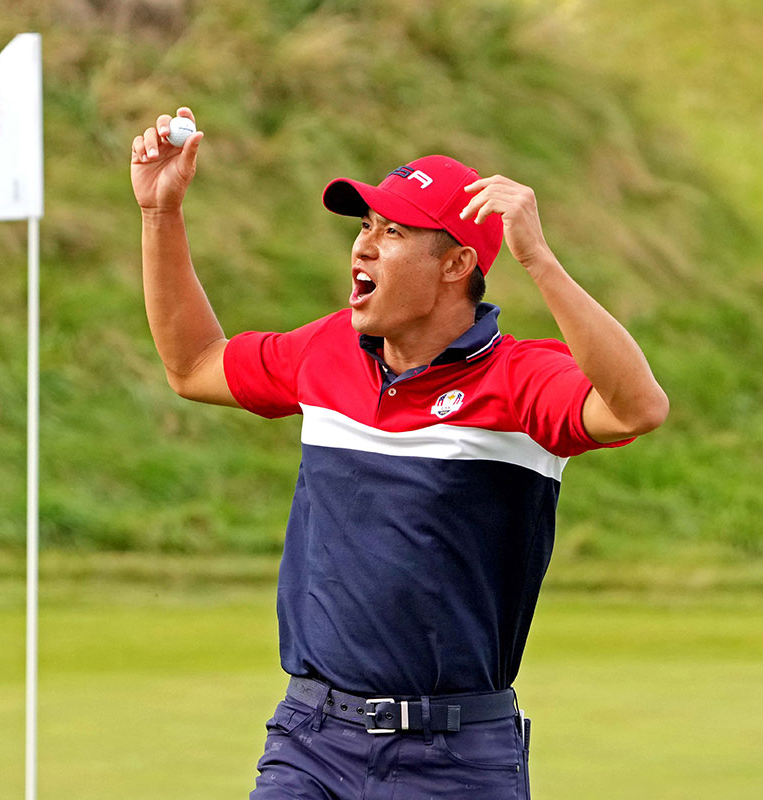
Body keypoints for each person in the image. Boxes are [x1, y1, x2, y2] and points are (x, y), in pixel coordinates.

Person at [130, 107, 668, 800]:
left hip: (455, 760)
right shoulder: (325, 352)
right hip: (310, 741)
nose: (363, 248)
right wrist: (159, 214)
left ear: (457, 265)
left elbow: (637, 407)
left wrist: (537, 259)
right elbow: (194, 364)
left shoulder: (521, 380)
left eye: (393, 232)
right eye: (363, 228)